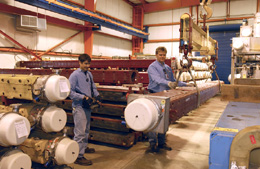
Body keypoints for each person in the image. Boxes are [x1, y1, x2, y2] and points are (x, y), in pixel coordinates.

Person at [147, 46, 192, 152]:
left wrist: (186, 84)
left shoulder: (167, 68)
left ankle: (161, 143)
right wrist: (168, 83)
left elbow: (173, 81)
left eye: (164, 55)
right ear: (156, 55)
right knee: (153, 119)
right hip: (155, 95)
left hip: (165, 96)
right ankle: (152, 143)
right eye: (160, 55)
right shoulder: (152, 67)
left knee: (164, 120)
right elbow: (157, 79)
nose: (162, 57)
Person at [69, 54, 101, 166]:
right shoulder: (74, 75)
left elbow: (93, 87)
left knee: (86, 129)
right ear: (79, 62)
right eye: (85, 64)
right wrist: (83, 97)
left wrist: (97, 96)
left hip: (87, 106)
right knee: (80, 131)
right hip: (79, 106)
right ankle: (78, 156)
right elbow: (70, 92)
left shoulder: (89, 74)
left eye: (89, 63)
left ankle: (84, 147)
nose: (87, 66)